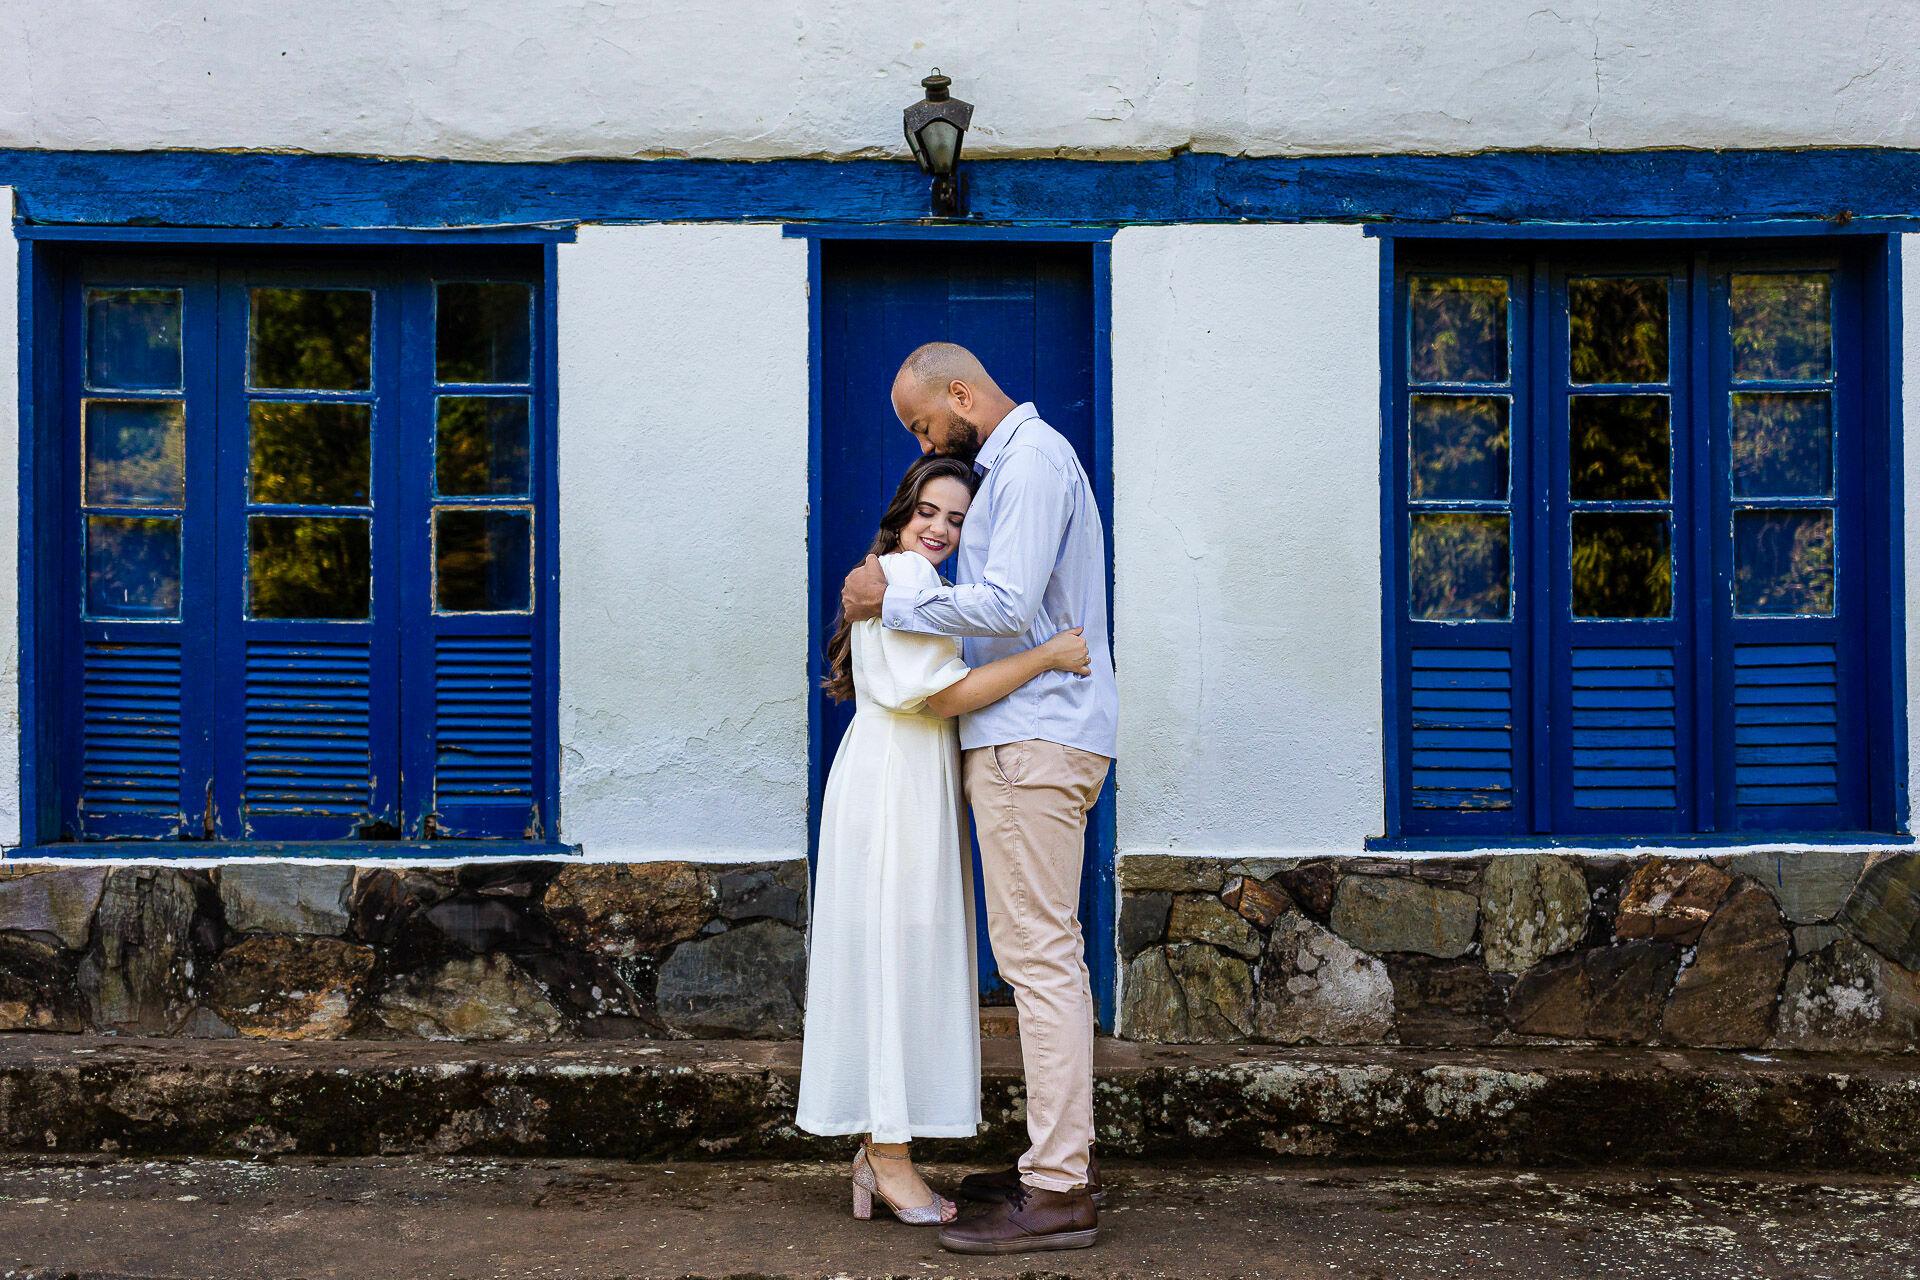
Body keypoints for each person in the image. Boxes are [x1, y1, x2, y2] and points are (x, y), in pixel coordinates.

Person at [839, 342, 1118, 1256]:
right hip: (1033, 738)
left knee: (1039, 961)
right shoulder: (1013, 467)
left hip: (1033, 743)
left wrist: (894, 597)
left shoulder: (1030, 461)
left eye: (924, 424)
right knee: (1042, 955)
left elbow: (1004, 603)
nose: (925, 442)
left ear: (960, 393)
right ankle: (1051, 1162)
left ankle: (1058, 1186)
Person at [796, 454, 1093, 1228]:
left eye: (958, 520)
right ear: (904, 510)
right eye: (930, 510)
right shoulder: (910, 579)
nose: (941, 528)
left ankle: (879, 1153)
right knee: (898, 959)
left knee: (892, 958)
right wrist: (1050, 655)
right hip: (896, 784)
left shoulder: (893, 576)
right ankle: (887, 1160)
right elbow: (949, 695)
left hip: (892, 772)